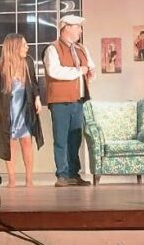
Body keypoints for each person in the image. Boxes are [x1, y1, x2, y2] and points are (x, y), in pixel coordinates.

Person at [0, 33, 44, 187]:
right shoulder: (0, 65)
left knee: (27, 142)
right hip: (8, 110)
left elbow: (34, 83)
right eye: (24, 45)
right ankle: (12, 179)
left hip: (25, 109)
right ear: (15, 47)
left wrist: (37, 99)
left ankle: (29, 179)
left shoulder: (28, 62)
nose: (27, 47)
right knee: (9, 144)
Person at [43, 15, 95, 187]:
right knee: (61, 139)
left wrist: (90, 73)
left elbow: (90, 66)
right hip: (60, 101)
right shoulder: (53, 49)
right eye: (77, 26)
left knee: (75, 139)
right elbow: (54, 71)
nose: (80, 30)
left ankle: (73, 173)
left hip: (78, 101)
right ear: (66, 28)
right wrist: (79, 71)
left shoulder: (81, 49)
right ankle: (62, 175)